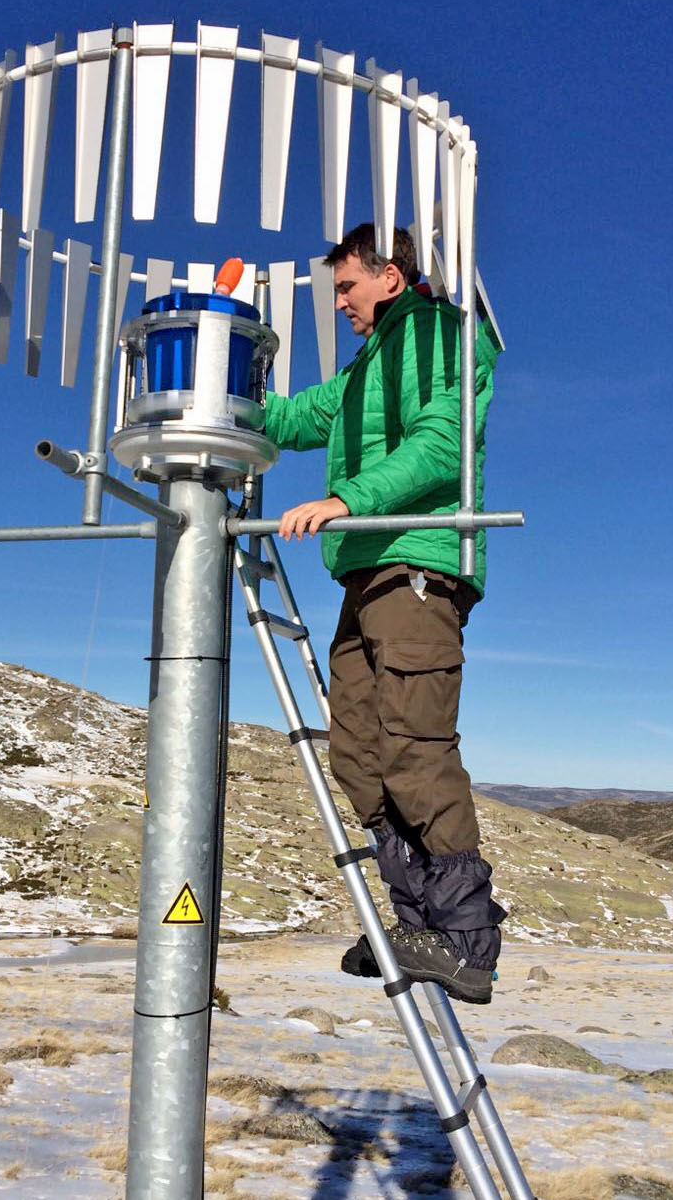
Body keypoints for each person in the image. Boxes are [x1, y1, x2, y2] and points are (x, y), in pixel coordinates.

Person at [262, 222, 505, 1003]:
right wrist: (220, 381)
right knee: (358, 753)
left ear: (390, 278)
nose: (339, 303)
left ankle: (466, 939)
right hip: (368, 575)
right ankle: (418, 923)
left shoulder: (437, 337)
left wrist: (347, 500)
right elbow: (295, 420)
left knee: (414, 746)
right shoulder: (367, 365)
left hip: (417, 566)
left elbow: (442, 446)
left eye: (347, 287)